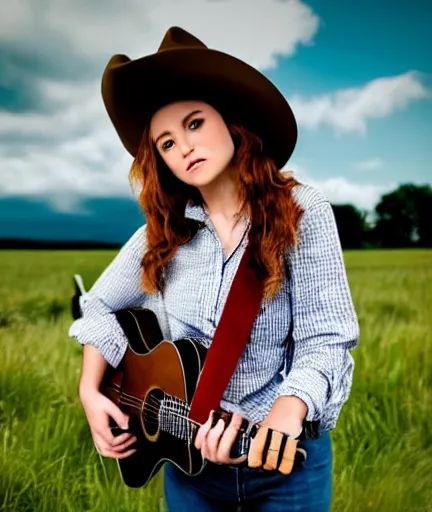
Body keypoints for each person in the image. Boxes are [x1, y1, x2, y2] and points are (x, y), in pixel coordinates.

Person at [69, 26, 359, 511]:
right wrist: (89, 389)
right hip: (187, 466)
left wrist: (288, 411)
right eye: (165, 142)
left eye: (195, 123)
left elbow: (326, 339)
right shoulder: (163, 233)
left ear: (230, 120)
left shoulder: (302, 214)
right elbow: (96, 304)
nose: (183, 147)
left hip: (285, 465)